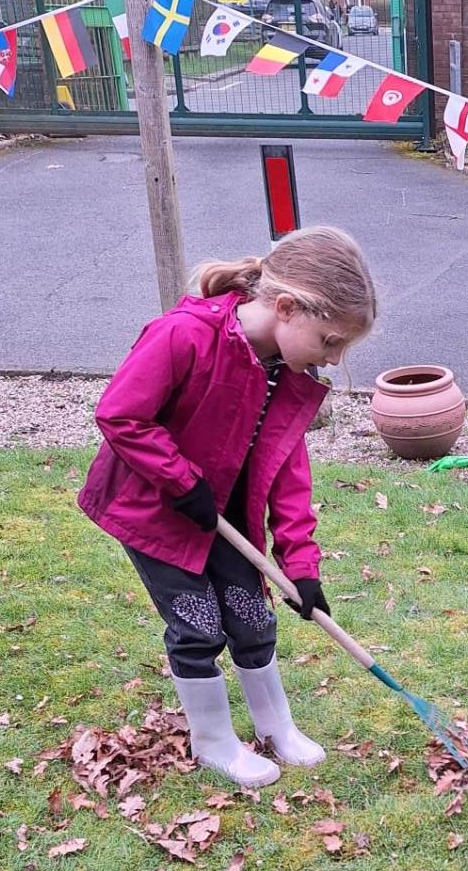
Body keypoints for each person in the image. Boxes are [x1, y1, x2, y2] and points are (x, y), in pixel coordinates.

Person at [78, 227, 377, 786]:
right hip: (156, 509)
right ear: (286, 308)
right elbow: (120, 413)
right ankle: (214, 741)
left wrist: (301, 567)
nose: (334, 359)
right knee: (198, 625)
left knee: (252, 618)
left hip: (228, 517)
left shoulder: (286, 373)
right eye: (330, 341)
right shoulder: (184, 335)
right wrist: (180, 480)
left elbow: (288, 474)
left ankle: (276, 726)